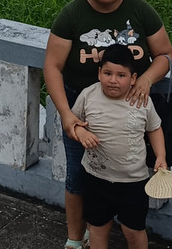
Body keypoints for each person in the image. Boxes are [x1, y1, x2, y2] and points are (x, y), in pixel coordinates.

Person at [43, 0, 172, 249]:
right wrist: (67, 114)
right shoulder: (73, 14)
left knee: (132, 171)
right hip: (84, 108)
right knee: (78, 176)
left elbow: (165, 54)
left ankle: (121, 225)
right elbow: (52, 66)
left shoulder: (140, 11)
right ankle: (76, 239)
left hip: (133, 106)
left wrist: (146, 79)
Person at [71, 43, 166, 249]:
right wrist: (81, 132)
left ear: (133, 78)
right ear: (99, 73)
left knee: (133, 230)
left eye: (121, 75)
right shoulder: (88, 96)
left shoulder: (141, 101)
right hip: (96, 177)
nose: (113, 80)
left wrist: (161, 156)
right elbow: (72, 122)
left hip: (133, 181)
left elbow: (155, 129)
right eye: (107, 73)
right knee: (97, 228)